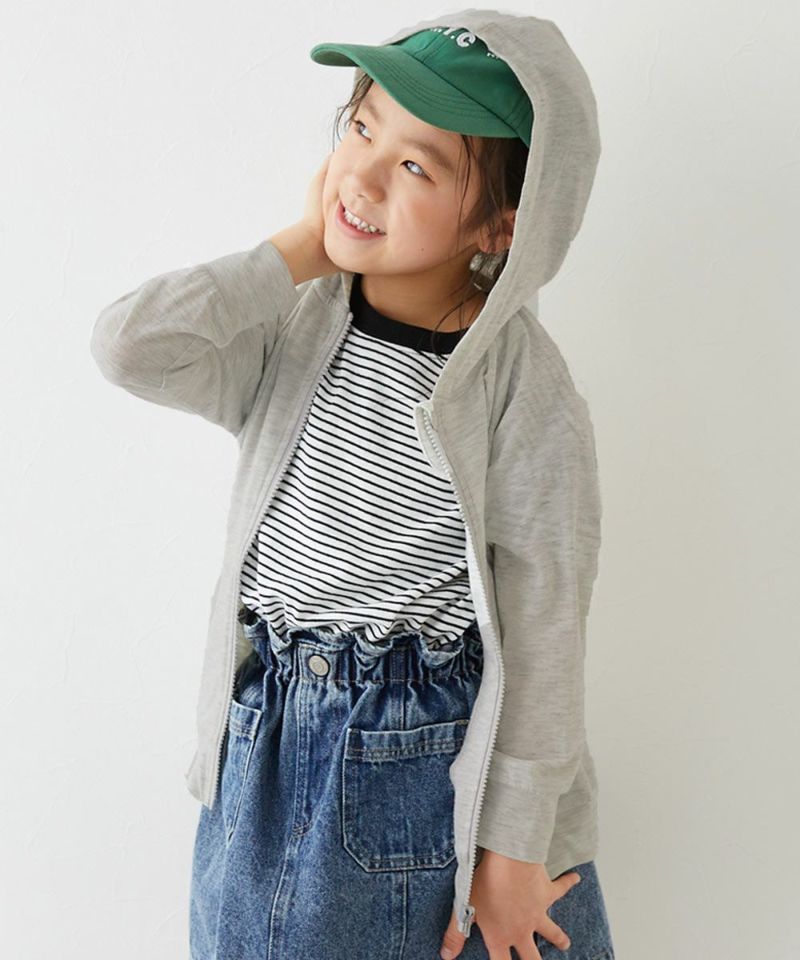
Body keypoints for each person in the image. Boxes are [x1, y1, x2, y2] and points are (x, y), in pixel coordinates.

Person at [89, 10, 615, 960]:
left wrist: (511, 848)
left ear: (505, 223)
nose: (363, 178)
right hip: (266, 740)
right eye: (362, 129)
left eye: (416, 166)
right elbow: (131, 346)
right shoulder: (291, 332)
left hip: (415, 753)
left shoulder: (523, 392)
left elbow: (548, 627)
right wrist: (298, 247)